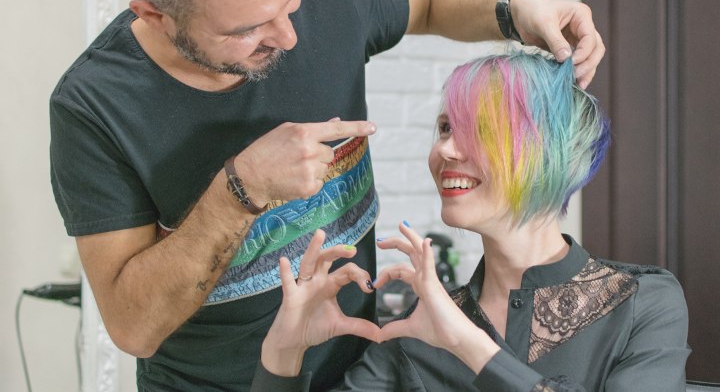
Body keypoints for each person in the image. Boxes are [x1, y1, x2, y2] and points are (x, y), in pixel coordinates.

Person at [49, 0, 605, 390]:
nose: (289, 37)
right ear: (156, 14)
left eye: (288, 0)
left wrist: (516, 7)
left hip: (359, 369)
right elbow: (133, 327)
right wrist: (240, 190)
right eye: (247, 30)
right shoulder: (95, 105)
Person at [252, 51, 690, 391]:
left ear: (547, 153)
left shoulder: (643, 304)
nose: (445, 149)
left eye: (481, 129)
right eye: (445, 127)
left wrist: (466, 343)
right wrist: (284, 350)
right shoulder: (420, 329)